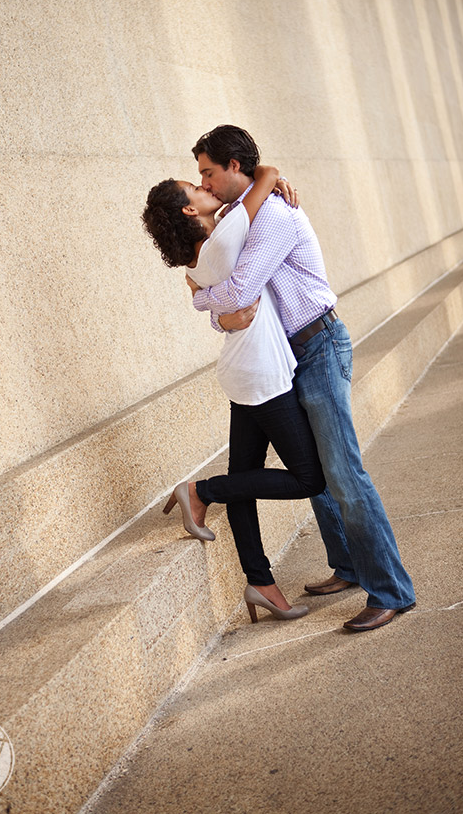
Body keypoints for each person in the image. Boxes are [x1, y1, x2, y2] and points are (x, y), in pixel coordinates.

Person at [187, 124, 416, 632]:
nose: (202, 182)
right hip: (286, 355)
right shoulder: (239, 215)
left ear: (234, 167)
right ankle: (350, 567)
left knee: (344, 474)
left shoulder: (272, 213)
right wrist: (213, 303)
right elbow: (227, 297)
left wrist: (198, 296)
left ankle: (392, 591)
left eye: (207, 172)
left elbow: (239, 289)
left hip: (318, 345)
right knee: (316, 470)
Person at [142, 164, 327, 623]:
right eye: (197, 185)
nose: (205, 185)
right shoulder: (222, 241)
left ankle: (260, 582)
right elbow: (261, 179)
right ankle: (200, 491)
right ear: (190, 208)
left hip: (244, 369)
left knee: (244, 475)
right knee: (310, 479)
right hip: (262, 375)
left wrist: (208, 303)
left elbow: (231, 217)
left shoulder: (204, 252)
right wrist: (271, 174)